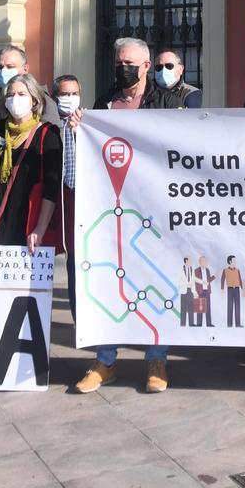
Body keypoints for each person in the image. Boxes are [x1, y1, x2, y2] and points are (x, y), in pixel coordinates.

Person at [75, 42, 178, 392]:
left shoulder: (165, 102)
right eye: (119, 62)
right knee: (108, 282)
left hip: (153, 209)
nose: (123, 68)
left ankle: (156, 359)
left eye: (129, 63)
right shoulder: (105, 103)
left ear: (147, 65)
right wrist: (79, 124)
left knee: (153, 279)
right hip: (110, 208)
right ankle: (105, 361)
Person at [0, 44, 59, 240]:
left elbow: (52, 180)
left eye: (21, 95)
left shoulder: (48, 128)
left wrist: (40, 227)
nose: (15, 99)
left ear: (34, 100)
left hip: (27, 221)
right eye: (11, 95)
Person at [54, 73, 83, 305]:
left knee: (79, 256)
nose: (70, 98)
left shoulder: (89, 121)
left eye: (74, 94)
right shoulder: (50, 124)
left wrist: (79, 130)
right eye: (65, 94)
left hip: (82, 196)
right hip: (57, 195)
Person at [145, 45, 204, 109]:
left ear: (180, 69)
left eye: (169, 66)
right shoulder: (145, 91)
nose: (164, 70)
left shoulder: (191, 93)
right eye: (159, 67)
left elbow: (188, 117)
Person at [223, 254, 243, 327]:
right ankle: (229, 324)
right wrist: (222, 289)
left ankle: (238, 324)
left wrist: (243, 289)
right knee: (230, 306)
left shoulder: (237, 270)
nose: (235, 262)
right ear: (230, 261)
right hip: (230, 289)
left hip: (237, 289)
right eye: (234, 260)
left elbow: (240, 279)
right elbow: (223, 279)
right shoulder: (225, 270)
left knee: (237, 307)